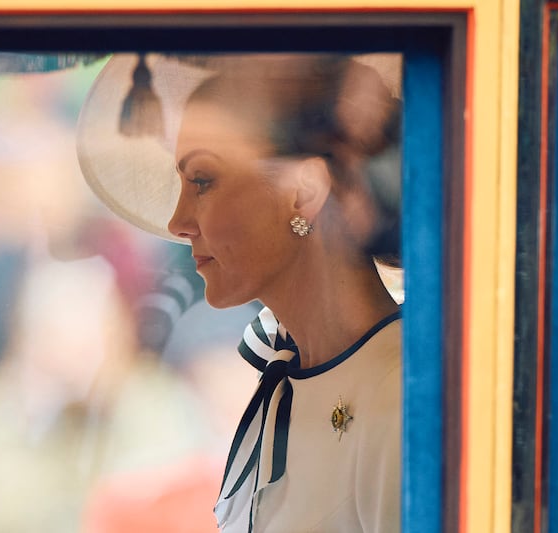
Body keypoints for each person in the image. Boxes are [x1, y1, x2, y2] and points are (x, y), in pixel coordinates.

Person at [77, 52, 403, 532]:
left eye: (203, 180)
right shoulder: (284, 380)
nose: (177, 222)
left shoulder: (398, 397)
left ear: (304, 191)